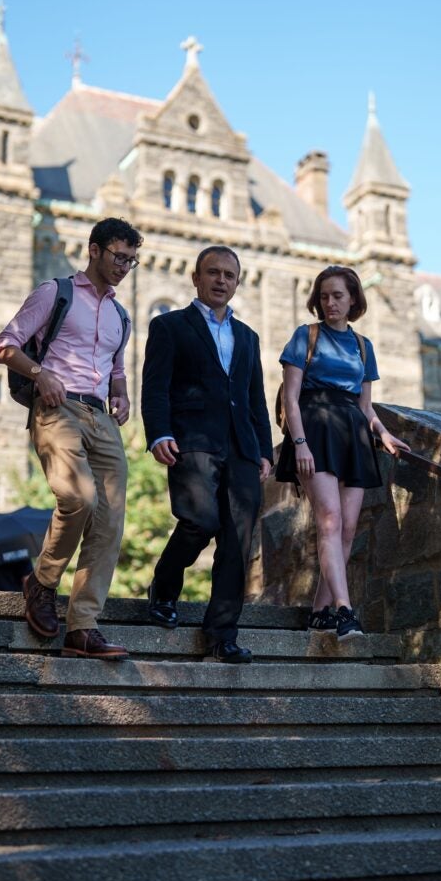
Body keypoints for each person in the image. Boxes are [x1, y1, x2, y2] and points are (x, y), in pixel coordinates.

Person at [0, 217, 142, 660]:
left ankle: (83, 626)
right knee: (79, 498)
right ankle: (42, 582)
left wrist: (121, 392)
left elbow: (115, 366)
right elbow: (4, 345)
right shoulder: (55, 293)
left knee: (111, 519)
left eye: (132, 261)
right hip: (57, 409)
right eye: (119, 257)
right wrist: (41, 374)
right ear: (94, 250)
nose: (124, 267)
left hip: (102, 419)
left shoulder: (121, 315)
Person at [142, 245, 273, 663]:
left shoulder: (248, 337)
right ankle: (165, 585)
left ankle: (221, 635)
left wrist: (265, 451)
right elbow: (156, 386)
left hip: (243, 449)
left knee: (237, 540)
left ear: (236, 283)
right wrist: (158, 431)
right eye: (212, 272)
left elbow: (256, 401)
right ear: (196, 278)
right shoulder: (169, 327)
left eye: (229, 275)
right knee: (200, 520)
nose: (221, 280)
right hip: (191, 440)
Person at [275, 265, 409, 640]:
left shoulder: (364, 346)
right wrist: (299, 443)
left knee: (348, 528)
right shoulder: (306, 336)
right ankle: (344, 611)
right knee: (330, 521)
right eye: (324, 296)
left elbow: (366, 407)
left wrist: (383, 434)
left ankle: (319, 611)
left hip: (353, 434)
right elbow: (290, 397)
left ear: (353, 300)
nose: (330, 303)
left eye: (337, 296)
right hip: (315, 430)